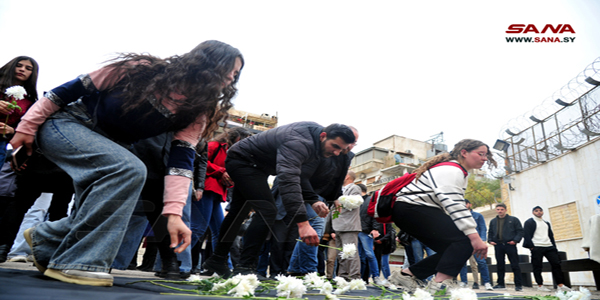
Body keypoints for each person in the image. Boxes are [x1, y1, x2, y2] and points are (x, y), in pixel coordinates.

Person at [10, 40, 244, 287]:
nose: (231, 78)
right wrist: (26, 126)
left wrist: (174, 214)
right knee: (131, 169)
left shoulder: (198, 110)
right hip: (68, 125)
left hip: (112, 147)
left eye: (236, 75)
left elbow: (180, 164)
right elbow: (65, 91)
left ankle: (46, 239)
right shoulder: (140, 69)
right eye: (229, 69)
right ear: (206, 62)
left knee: (118, 192)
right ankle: (78, 264)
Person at [202, 122, 355, 278]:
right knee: (267, 210)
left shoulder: (318, 145)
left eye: (341, 150)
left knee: (238, 212)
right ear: (323, 136)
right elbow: (288, 179)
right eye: (334, 146)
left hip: (257, 165)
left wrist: (313, 199)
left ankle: (217, 260)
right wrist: (302, 223)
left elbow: (300, 176)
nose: (336, 153)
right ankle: (245, 266)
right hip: (243, 161)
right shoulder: (300, 142)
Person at [388, 139, 496, 294]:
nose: (485, 159)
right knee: (465, 242)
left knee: (452, 249)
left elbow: (450, 206)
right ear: (464, 153)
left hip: (410, 210)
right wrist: (474, 236)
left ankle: (406, 275)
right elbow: (455, 205)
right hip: (412, 209)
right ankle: (441, 284)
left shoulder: (456, 171)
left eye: (486, 155)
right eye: (481, 154)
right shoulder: (451, 170)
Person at [190, 127, 251, 261]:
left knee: (221, 232)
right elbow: (201, 162)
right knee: (199, 228)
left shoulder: (233, 152)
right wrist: (221, 171)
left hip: (217, 193)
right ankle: (177, 260)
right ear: (237, 138)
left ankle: (223, 265)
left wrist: (229, 177)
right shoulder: (214, 146)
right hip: (207, 190)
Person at [523, 206, 572, 292]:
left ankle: (560, 285)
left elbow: (551, 236)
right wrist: (532, 247)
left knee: (556, 264)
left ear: (542, 212)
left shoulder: (546, 223)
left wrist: (554, 247)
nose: (539, 212)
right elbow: (526, 235)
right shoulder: (529, 222)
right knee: (537, 266)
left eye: (540, 210)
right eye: (536, 211)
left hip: (549, 246)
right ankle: (540, 285)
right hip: (537, 246)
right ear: (533, 212)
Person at [0, 56, 39, 164]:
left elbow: (27, 126)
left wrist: (12, 131)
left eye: (28, 68)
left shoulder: (30, 102)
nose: (22, 69)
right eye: (19, 66)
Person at [331, 170, 363, 280]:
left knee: (351, 253)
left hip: (349, 225)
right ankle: (343, 277)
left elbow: (355, 203)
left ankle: (355, 277)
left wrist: (339, 201)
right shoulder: (339, 189)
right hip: (338, 225)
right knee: (341, 254)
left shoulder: (354, 188)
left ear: (347, 177)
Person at [458, 199, 494, 290]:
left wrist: (482, 240)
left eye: (465, 204)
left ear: (469, 204)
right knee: (462, 263)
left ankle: (487, 282)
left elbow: (482, 228)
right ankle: (464, 282)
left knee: (481, 262)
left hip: (476, 242)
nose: (464, 206)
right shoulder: (458, 217)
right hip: (463, 243)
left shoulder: (478, 216)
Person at [488, 203, 524, 291]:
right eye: (498, 209)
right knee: (500, 265)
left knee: (515, 265)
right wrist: (490, 240)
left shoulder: (513, 219)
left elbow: (520, 231)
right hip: (498, 245)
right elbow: (490, 232)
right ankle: (500, 283)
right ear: (496, 210)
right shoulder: (493, 221)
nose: (500, 211)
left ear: (505, 210)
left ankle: (518, 285)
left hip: (510, 245)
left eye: (501, 209)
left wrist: (515, 241)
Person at [357, 183, 386, 285]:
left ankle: (376, 277)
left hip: (366, 231)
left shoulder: (370, 200)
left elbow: (375, 215)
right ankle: (360, 278)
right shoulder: (356, 202)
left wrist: (375, 229)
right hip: (356, 231)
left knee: (369, 254)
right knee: (359, 256)